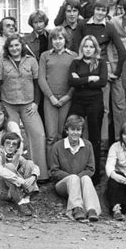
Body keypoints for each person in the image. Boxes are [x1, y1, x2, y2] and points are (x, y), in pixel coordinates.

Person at [72, 0, 126, 147]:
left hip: (102, 70)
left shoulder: (108, 27)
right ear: (93, 9)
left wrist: (116, 72)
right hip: (83, 70)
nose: (100, 13)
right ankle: (84, 144)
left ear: (107, 12)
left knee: (105, 110)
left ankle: (104, 146)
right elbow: (75, 48)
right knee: (90, 112)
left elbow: (123, 53)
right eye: (98, 9)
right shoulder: (83, 24)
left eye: (103, 10)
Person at [0, 34, 48, 180]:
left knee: (38, 134)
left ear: (22, 46)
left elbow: (37, 83)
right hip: (8, 104)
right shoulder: (2, 61)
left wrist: (36, 102)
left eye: (17, 45)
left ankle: (39, 174)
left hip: (28, 104)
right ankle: (12, 173)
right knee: (12, 137)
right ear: (7, 48)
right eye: (11, 46)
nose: (14, 48)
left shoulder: (31, 61)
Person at [68, 35, 107, 184]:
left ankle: (95, 175)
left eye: (91, 46)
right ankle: (74, 171)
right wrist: (91, 78)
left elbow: (102, 81)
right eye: (86, 46)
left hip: (95, 102)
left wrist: (81, 80)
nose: (88, 49)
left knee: (94, 137)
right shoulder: (75, 62)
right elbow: (71, 81)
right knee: (74, 133)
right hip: (78, 101)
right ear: (81, 48)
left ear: (95, 48)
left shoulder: (101, 63)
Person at [50, 115, 101, 222]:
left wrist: (78, 178)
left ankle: (92, 209)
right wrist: (73, 178)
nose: (75, 132)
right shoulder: (58, 146)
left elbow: (91, 169)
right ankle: (76, 208)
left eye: (78, 130)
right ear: (67, 130)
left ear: (82, 131)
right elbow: (54, 170)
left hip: (81, 182)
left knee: (86, 178)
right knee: (73, 178)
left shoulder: (87, 145)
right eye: (72, 129)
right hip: (63, 185)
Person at [39, 27, 77, 158]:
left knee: (62, 134)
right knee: (51, 136)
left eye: (60, 38)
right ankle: (51, 169)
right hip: (50, 100)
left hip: (66, 99)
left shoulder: (73, 56)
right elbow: (41, 79)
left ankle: (61, 166)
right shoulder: (45, 56)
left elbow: (76, 79)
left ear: (65, 40)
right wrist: (51, 97)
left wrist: (68, 96)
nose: (57, 41)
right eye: (54, 39)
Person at [0, 132, 39, 216]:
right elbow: (0, 171)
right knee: (9, 166)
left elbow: (33, 166)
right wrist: (20, 180)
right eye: (8, 143)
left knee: (29, 163)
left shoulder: (15, 155)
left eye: (14, 144)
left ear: (17, 148)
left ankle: (26, 198)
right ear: (2, 144)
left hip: (12, 189)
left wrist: (33, 176)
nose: (10, 146)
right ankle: (21, 202)